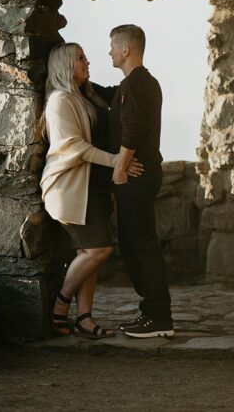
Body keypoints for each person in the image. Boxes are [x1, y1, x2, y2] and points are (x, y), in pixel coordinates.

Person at [39, 42, 143, 339]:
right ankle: (60, 305)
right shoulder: (60, 100)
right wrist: (118, 163)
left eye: (86, 56)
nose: (88, 61)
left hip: (93, 188)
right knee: (100, 249)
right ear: (64, 65)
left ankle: (84, 318)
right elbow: (74, 146)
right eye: (80, 58)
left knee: (88, 253)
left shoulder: (86, 95)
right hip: (70, 188)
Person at [92, 24, 174, 339]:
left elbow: (134, 126)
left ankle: (159, 318)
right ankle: (151, 313)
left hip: (136, 176)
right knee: (134, 244)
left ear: (126, 49)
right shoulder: (135, 83)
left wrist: (120, 167)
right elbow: (113, 97)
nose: (109, 52)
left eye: (113, 46)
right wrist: (83, 85)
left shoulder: (139, 83)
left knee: (141, 245)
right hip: (138, 175)